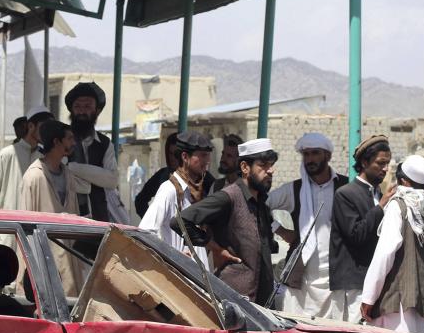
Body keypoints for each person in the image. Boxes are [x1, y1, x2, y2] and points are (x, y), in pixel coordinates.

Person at [360, 155, 424, 333]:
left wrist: (368, 299)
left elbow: (384, 255)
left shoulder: (397, 208)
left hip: (394, 316)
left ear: (403, 181)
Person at [171, 138, 277, 304]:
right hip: (235, 299)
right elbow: (180, 221)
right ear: (245, 167)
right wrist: (215, 248)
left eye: (271, 165)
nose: (270, 171)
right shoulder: (228, 196)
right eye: (263, 165)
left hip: (263, 299)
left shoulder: (261, 201)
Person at [266, 132, 350, 318]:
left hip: (335, 277)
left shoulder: (345, 187)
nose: (310, 159)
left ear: (327, 156)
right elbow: (260, 205)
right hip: (301, 278)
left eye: (315, 153)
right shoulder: (294, 190)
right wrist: (279, 229)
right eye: (306, 154)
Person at [18, 119, 91, 296]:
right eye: (69, 138)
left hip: (68, 256)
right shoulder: (34, 176)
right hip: (45, 259)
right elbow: (24, 225)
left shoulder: (67, 174)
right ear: (56, 141)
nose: (73, 143)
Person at [329, 135, 394, 320]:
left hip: (371, 281)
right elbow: (356, 235)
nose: (385, 169)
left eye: (387, 163)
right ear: (365, 162)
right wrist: (380, 207)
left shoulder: (377, 194)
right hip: (351, 285)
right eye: (381, 163)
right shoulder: (345, 194)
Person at [138, 131, 212, 266]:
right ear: (185, 157)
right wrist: (171, 256)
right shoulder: (169, 190)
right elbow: (145, 231)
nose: (207, 161)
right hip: (180, 276)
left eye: (208, 156)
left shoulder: (198, 191)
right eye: (202, 156)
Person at [64, 82, 127, 223]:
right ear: (71, 110)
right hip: (68, 219)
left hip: (99, 219)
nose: (81, 112)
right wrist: (97, 177)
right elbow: (62, 177)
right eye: (77, 106)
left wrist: (72, 167)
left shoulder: (105, 144)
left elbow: (111, 180)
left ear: (97, 111)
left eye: (87, 107)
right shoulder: (61, 140)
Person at [0, 105, 53, 211]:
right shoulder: (6, 154)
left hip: (37, 222)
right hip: (10, 222)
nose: (47, 133)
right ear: (31, 126)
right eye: (44, 128)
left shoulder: (45, 157)